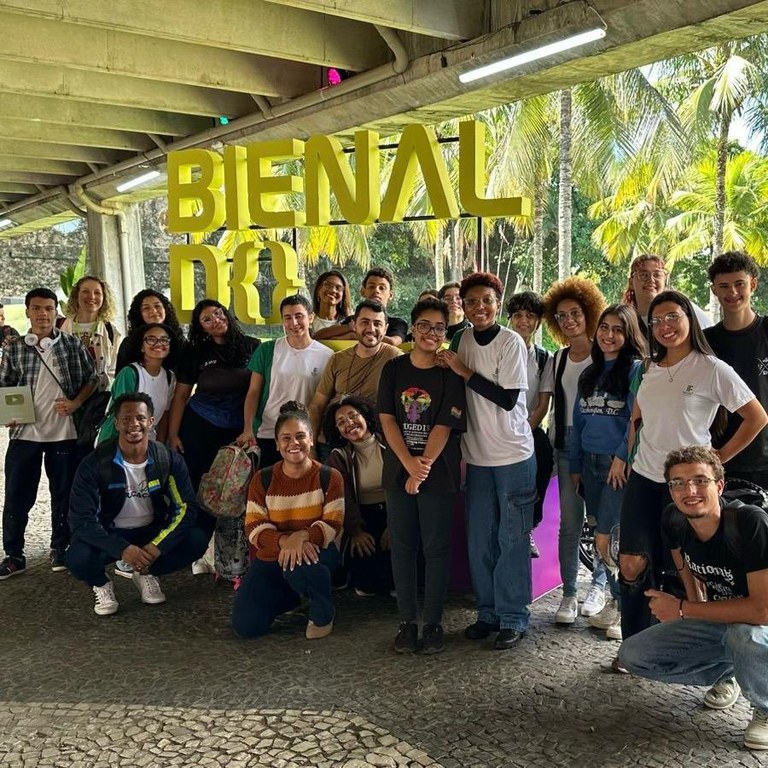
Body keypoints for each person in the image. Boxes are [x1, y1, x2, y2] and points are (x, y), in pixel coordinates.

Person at [619, 290, 767, 647]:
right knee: (631, 564)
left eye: (673, 317)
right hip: (644, 477)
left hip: (688, 487)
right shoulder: (649, 367)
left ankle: (692, 641)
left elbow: (757, 417)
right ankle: (634, 643)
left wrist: (717, 460)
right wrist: (627, 455)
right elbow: (637, 419)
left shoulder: (711, 368)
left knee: (689, 569)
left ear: (690, 318)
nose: (664, 326)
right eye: (656, 321)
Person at [619, 446, 768, 752]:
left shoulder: (750, 523)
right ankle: (731, 672)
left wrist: (684, 610)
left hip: (758, 624)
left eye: (700, 480)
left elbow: (762, 610)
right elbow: (683, 564)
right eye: (678, 483)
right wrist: (692, 604)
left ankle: (765, 707)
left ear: (719, 485)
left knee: (744, 634)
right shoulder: (675, 519)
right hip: (721, 620)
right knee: (633, 654)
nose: (690, 490)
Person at [441, 272, 535, 650]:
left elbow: (509, 399)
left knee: (511, 538)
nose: (479, 308)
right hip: (476, 456)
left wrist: (464, 371)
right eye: (471, 301)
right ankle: (488, 613)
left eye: (487, 301)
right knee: (480, 537)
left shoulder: (511, 342)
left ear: (498, 303)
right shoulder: (460, 339)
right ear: (461, 305)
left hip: (513, 454)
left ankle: (514, 617)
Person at [67, 393, 208, 616]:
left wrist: (157, 546)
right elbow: (81, 520)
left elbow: (186, 507)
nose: (134, 424)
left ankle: (146, 572)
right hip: (110, 533)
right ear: (116, 423)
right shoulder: (95, 463)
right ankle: (102, 584)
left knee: (197, 539)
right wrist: (120, 549)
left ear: (150, 422)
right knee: (77, 558)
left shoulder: (166, 459)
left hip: (150, 532)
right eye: (126, 419)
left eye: (141, 418)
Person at [379, 297, 466, 654]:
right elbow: (387, 418)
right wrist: (408, 465)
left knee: (435, 548)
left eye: (440, 328)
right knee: (402, 547)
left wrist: (424, 466)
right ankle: (406, 622)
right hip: (399, 470)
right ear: (413, 328)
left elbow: (446, 423)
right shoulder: (394, 369)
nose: (432, 333)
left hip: (439, 473)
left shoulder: (450, 373)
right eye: (425, 326)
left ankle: (432, 623)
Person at [0, 287, 97, 578]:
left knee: (63, 492)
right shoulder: (14, 347)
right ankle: (14, 554)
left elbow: (91, 379)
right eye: (37, 308)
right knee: (17, 494)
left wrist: (76, 402)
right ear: (28, 311)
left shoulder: (70, 344)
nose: (43, 314)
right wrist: (8, 414)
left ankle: (60, 547)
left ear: (57, 312)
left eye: (49, 309)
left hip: (64, 433)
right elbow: (4, 383)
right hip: (24, 434)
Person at [231, 403, 345, 640]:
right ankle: (291, 596)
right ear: (277, 444)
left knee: (301, 567)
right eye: (286, 438)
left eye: (300, 436)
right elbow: (253, 527)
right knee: (247, 626)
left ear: (311, 440)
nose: (294, 443)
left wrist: (303, 537)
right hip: (273, 555)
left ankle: (323, 611)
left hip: (316, 551)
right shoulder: (262, 480)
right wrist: (285, 541)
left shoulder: (329, 476)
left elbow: (333, 522)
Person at [570, 304, 646, 641]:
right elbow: (579, 423)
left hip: (620, 468)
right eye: (604, 327)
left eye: (617, 329)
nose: (609, 335)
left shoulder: (636, 371)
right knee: (601, 536)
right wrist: (575, 466)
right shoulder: (589, 374)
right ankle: (618, 602)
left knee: (614, 541)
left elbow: (638, 421)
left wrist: (622, 458)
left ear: (628, 335)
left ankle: (629, 613)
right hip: (591, 464)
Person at [542, 277, 608, 625]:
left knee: (601, 522)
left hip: (600, 445)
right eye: (562, 315)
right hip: (566, 446)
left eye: (575, 313)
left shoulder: (606, 353)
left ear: (588, 313)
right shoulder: (559, 358)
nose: (569, 321)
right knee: (570, 524)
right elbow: (547, 405)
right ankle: (569, 592)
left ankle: (598, 586)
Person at [238, 294, 333, 468]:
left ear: (310, 318)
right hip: (268, 432)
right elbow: (253, 392)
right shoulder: (267, 349)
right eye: (288, 318)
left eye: (299, 316)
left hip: (304, 437)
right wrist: (247, 429)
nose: (294, 323)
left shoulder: (327, 355)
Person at [705, 251, 768, 489]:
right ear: (714, 291)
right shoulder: (704, 342)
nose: (732, 293)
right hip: (719, 458)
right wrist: (717, 457)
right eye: (724, 286)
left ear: (752, 285)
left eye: (739, 284)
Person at [307, 299, 402, 455]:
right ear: (355, 325)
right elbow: (317, 406)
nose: (371, 329)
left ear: (385, 329)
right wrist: (312, 449)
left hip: (372, 444)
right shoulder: (337, 359)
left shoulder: (396, 359)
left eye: (377, 324)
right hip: (332, 442)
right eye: (365, 322)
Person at [325, 396, 393, 597]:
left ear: (366, 416)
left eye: (353, 416)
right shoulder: (338, 457)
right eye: (341, 422)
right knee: (366, 585)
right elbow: (342, 497)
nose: (349, 424)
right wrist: (355, 531)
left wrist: (395, 524)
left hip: (394, 513)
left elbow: (403, 487)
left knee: (401, 574)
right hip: (361, 518)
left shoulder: (390, 443)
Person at [506, 291, 554, 557]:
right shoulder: (500, 349)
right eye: (518, 315)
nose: (524, 321)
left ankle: (530, 528)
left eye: (530, 315)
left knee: (544, 459)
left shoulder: (544, 358)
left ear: (538, 322)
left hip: (528, 428)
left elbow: (543, 403)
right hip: (499, 430)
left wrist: (524, 430)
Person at [98, 323, 178, 444]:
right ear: (141, 347)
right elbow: (124, 416)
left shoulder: (169, 377)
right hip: (117, 442)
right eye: (151, 339)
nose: (158, 343)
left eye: (164, 340)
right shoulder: (130, 373)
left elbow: (164, 416)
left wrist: (160, 447)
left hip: (148, 442)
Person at [314, 267, 408, 346]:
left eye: (382, 288)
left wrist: (356, 335)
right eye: (371, 286)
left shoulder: (397, 323)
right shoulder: (351, 320)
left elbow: (393, 342)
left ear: (391, 295)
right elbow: (319, 336)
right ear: (363, 291)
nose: (376, 291)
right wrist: (349, 332)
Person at [622, 253, 712, 335]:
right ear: (631, 282)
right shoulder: (625, 319)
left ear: (664, 281)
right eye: (643, 275)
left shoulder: (683, 309)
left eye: (657, 275)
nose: (651, 280)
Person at [59, 275, 121, 390]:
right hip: (66, 401)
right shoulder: (59, 328)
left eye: (97, 293)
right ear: (76, 296)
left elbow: (114, 370)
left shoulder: (111, 331)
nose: (91, 296)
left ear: (104, 298)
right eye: (85, 292)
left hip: (100, 401)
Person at [116, 289, 186, 373]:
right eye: (146, 308)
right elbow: (121, 378)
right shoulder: (129, 343)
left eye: (157, 306)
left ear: (165, 310)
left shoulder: (181, 341)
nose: (153, 311)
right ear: (139, 314)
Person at [310, 270, 353, 335]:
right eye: (327, 285)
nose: (333, 290)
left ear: (343, 295)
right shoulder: (308, 321)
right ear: (318, 289)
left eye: (338, 288)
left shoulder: (350, 323)